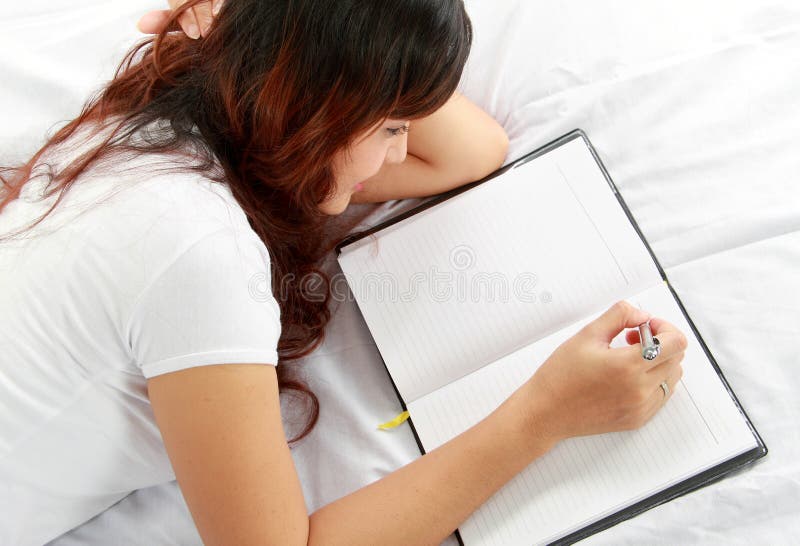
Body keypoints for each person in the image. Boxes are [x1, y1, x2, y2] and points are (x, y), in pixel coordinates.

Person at [0, 0, 688, 544]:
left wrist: (281, 31)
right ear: (319, 106)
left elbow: (475, 152)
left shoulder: (178, 101)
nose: (398, 157)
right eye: (390, 127)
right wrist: (547, 414)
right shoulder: (196, 251)